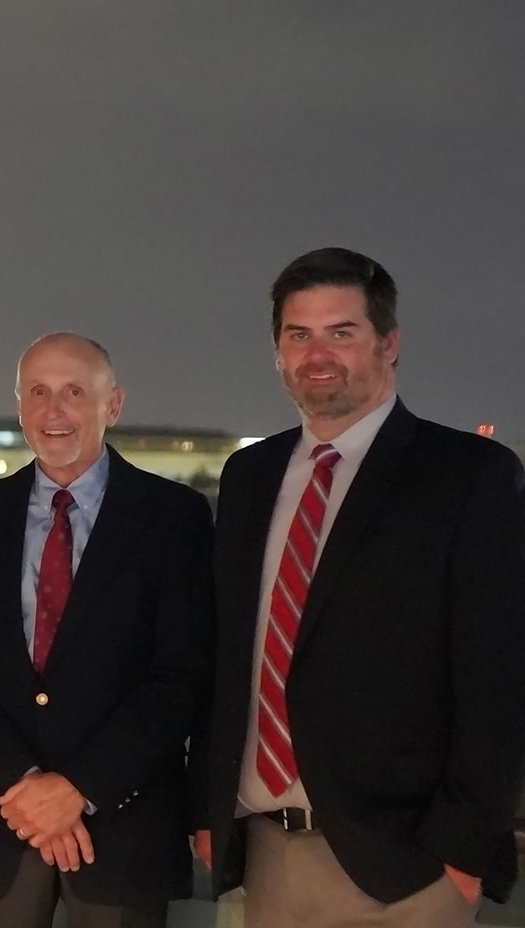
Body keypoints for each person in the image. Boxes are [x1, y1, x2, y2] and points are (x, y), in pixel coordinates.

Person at [190, 247, 525, 927]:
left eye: (342, 333)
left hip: (407, 867)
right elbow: (227, 656)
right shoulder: (250, 477)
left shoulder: (468, 476)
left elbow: (498, 677)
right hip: (265, 851)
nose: (318, 354)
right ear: (278, 351)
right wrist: (208, 808)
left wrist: (459, 853)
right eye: (298, 334)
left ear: (389, 343)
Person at [0, 333, 213, 928]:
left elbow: (181, 677)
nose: (54, 410)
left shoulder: (174, 517)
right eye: (38, 392)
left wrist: (77, 790)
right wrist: (23, 785)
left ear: (113, 405)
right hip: (0, 827)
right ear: (21, 405)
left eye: (74, 392)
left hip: (122, 831)